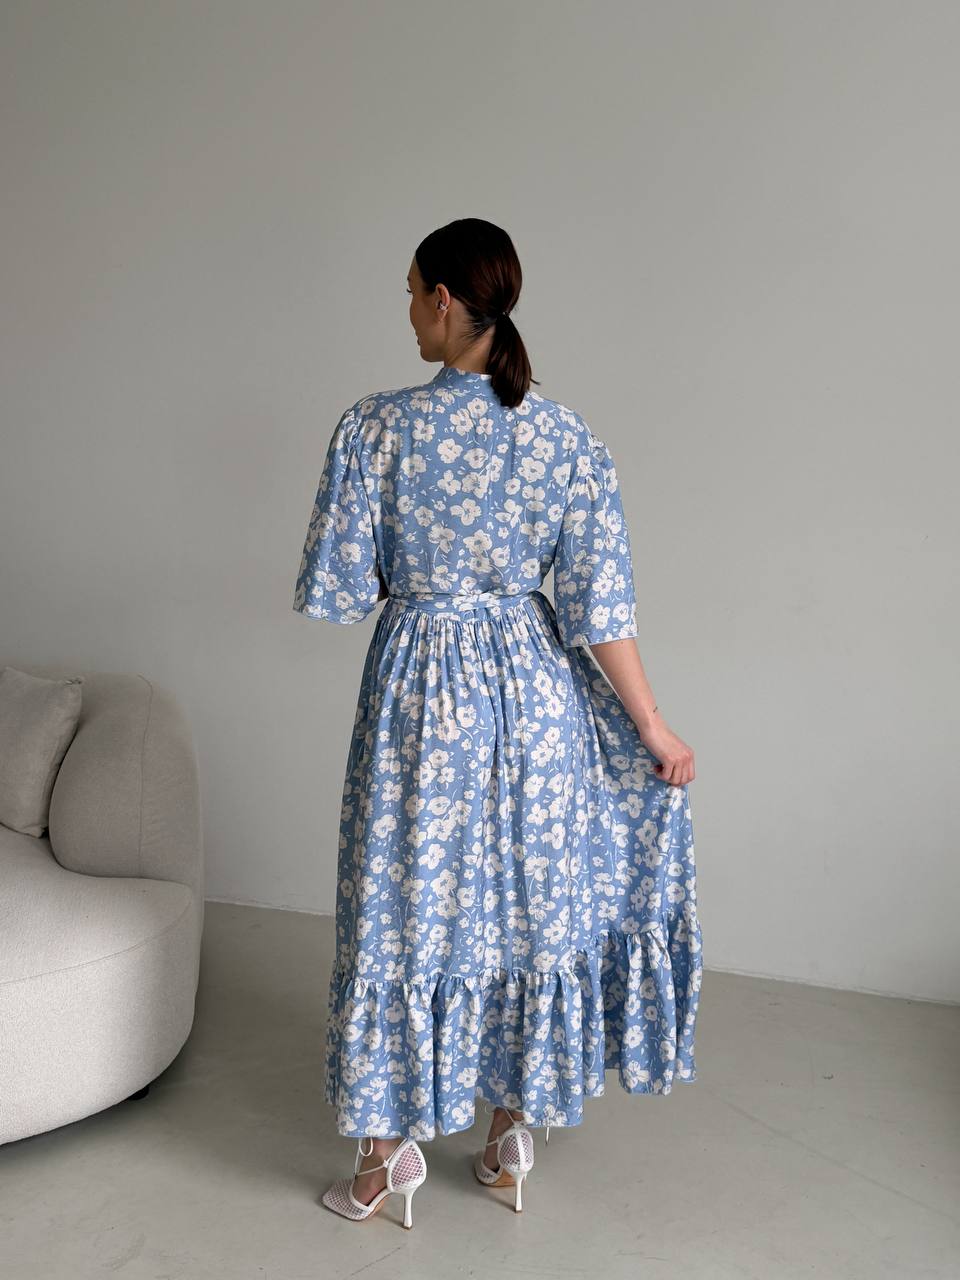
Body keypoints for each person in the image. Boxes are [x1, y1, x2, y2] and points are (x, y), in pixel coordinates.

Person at [293, 218, 703, 1228]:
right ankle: (511, 1132)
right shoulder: (565, 437)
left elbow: (338, 589)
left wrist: (422, 574)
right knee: (527, 901)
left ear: (443, 300)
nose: (407, 310)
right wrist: (654, 728)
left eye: (410, 291)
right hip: (534, 694)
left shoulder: (376, 427)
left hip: (420, 699)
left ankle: (384, 1155)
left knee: (403, 905)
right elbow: (601, 608)